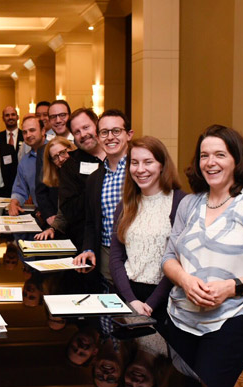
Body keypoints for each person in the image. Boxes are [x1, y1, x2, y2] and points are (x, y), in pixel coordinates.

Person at [161, 125, 243, 387]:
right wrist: (185, 281)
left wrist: (231, 287)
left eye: (220, 155)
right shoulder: (189, 204)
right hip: (180, 318)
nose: (210, 162)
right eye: (204, 155)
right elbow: (168, 257)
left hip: (233, 320)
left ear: (236, 160)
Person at [107, 136, 186, 320]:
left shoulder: (181, 202)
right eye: (134, 163)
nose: (140, 169)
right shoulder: (125, 205)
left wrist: (151, 304)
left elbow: (180, 260)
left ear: (161, 165)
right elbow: (116, 258)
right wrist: (132, 300)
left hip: (166, 299)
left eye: (148, 162)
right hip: (128, 296)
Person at [74, 109, 132, 283]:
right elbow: (91, 222)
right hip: (106, 255)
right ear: (98, 138)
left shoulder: (140, 171)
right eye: (104, 132)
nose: (110, 137)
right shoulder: (95, 179)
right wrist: (89, 249)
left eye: (116, 131)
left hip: (138, 255)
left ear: (129, 135)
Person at [58, 108, 107, 250]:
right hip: (86, 242)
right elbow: (69, 210)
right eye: (77, 132)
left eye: (86, 127)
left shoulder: (117, 155)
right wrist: (95, 188)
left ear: (97, 124)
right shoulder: (70, 165)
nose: (83, 135)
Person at [35, 100, 75, 231]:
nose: (58, 120)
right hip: (53, 222)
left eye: (62, 115)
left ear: (70, 116)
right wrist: (49, 215)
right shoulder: (43, 150)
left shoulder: (81, 145)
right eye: (53, 117)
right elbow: (41, 189)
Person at [33, 136, 77, 240]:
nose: (61, 159)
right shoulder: (59, 179)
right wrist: (52, 228)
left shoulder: (84, 173)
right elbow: (63, 211)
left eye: (63, 152)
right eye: (55, 157)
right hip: (65, 233)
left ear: (71, 148)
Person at [8, 115, 45, 215]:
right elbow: (19, 189)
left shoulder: (56, 153)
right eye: (24, 132)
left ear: (43, 131)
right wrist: (13, 202)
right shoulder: (24, 162)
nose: (28, 135)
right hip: (40, 214)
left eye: (32, 130)